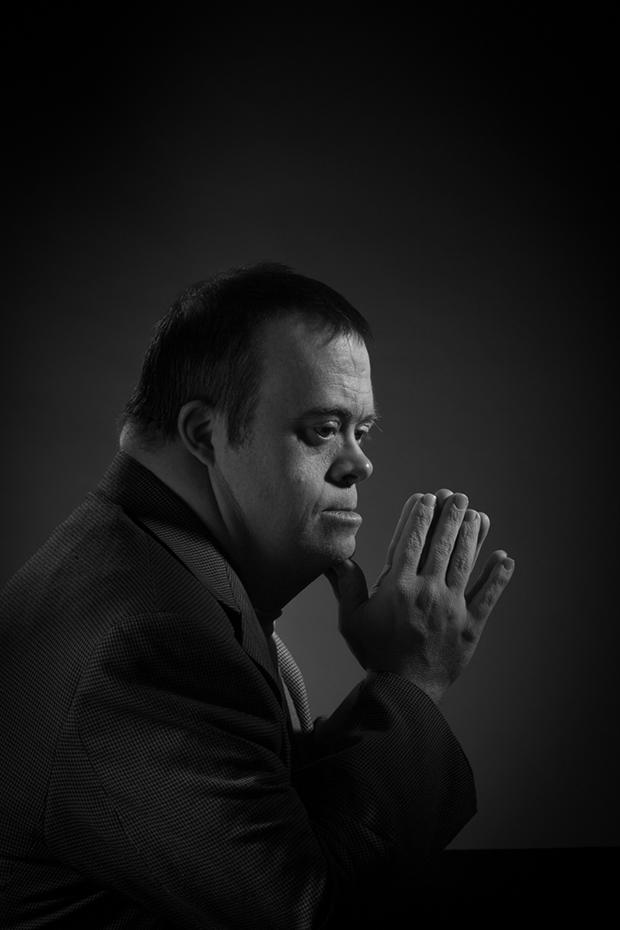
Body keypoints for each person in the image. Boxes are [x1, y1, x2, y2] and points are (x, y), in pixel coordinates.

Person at [0, 263, 514, 928]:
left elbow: (256, 798)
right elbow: (308, 913)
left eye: (362, 431)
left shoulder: (145, 565)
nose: (360, 462)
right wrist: (412, 679)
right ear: (204, 434)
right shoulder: (148, 640)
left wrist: (390, 691)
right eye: (322, 428)